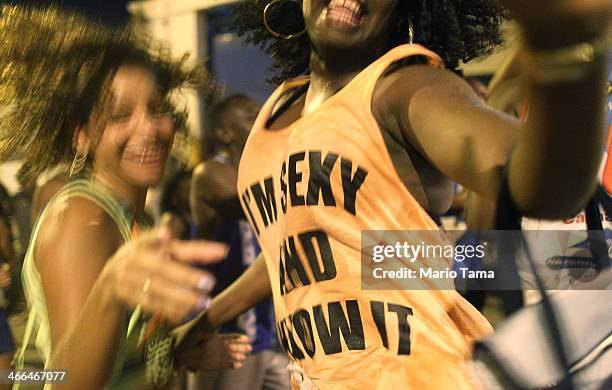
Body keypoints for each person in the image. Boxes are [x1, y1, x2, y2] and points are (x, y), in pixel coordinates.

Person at [174, 0, 609, 388]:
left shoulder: (404, 89)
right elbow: (296, 248)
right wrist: (207, 318)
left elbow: (548, 185)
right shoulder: (278, 107)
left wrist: (567, 49)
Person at [0, 5, 250, 389]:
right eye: (119, 115)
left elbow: (120, 361)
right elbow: (59, 379)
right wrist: (110, 290)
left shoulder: (136, 218)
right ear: (80, 135)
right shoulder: (82, 217)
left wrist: (177, 350)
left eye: (157, 108)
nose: (148, 128)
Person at [191, 95, 290, 390]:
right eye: (251, 116)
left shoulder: (259, 169)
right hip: (223, 341)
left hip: (267, 337)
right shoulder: (209, 173)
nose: (261, 121)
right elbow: (252, 202)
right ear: (224, 133)